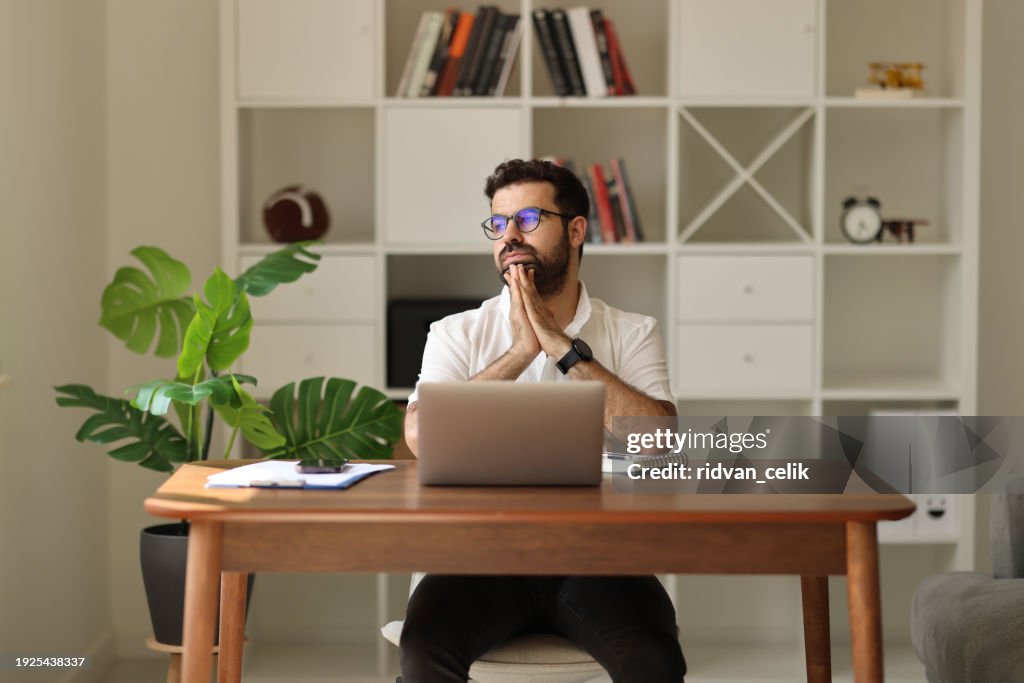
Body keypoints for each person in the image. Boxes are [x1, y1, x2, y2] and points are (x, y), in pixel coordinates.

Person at [400, 158, 686, 683]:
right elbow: (421, 436)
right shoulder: (454, 334)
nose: (509, 236)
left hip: (601, 559)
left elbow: (660, 441)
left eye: (528, 219)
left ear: (576, 230)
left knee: (655, 661)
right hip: (475, 557)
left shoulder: (632, 332)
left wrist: (564, 350)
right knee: (422, 657)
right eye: (499, 223)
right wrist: (518, 353)